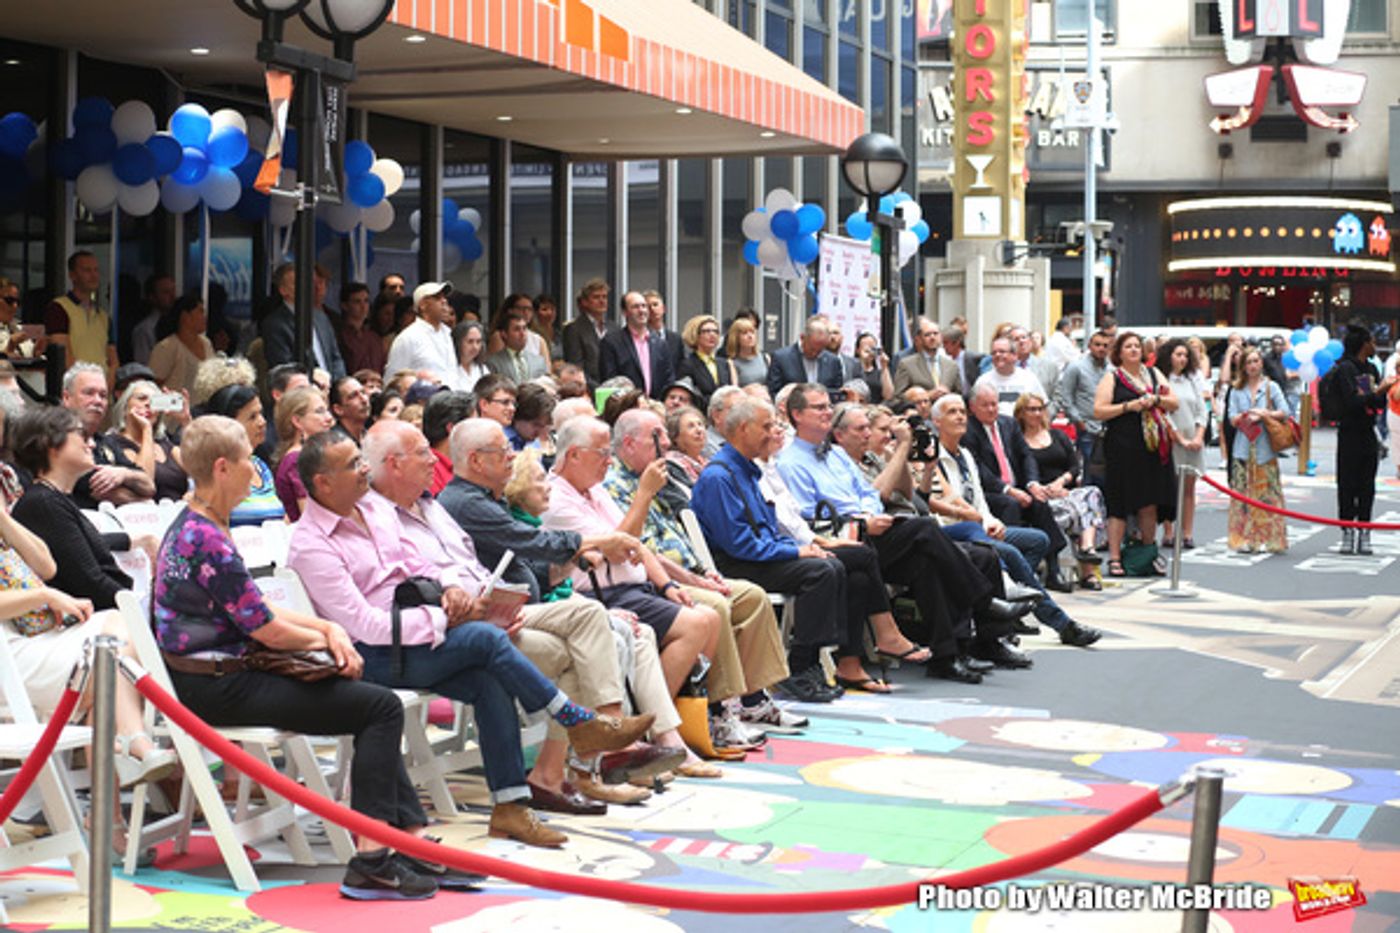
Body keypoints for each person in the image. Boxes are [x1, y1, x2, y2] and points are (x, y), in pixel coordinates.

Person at [154, 416, 486, 899]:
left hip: (225, 674)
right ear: (223, 468)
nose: (258, 469)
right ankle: (374, 856)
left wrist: (328, 629)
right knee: (379, 707)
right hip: (218, 686)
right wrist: (329, 638)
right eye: (250, 458)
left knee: (373, 703)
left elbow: (258, 612)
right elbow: (265, 627)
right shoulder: (204, 537)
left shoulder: (199, 524)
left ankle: (405, 840)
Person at [288, 428, 658, 840]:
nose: (363, 471)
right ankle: (572, 718)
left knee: (488, 681)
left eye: (361, 460)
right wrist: (445, 619)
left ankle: (511, 808)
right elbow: (364, 626)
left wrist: (451, 590)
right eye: (353, 465)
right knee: (484, 640)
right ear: (322, 482)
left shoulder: (373, 512)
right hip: (373, 656)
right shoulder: (311, 544)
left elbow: (419, 564)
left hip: (418, 633)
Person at [445, 424, 721, 786]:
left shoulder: (485, 499)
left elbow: (540, 570)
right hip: (496, 620)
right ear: (476, 461)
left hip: (528, 609)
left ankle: (650, 743)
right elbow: (535, 545)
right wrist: (598, 543)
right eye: (502, 451)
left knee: (632, 631)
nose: (511, 455)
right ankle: (612, 740)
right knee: (595, 621)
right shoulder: (466, 502)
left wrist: (579, 560)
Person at [775, 385, 1002, 684]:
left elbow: (869, 494)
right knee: (924, 528)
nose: (827, 412)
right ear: (796, 415)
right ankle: (984, 601)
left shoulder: (837, 455)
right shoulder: (790, 462)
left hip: (872, 533)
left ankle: (945, 657)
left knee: (927, 561)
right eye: (818, 407)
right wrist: (863, 521)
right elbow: (806, 519)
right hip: (843, 538)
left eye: (828, 406)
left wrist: (869, 514)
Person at [604, 409, 791, 738]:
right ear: (630, 443)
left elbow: (679, 535)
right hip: (651, 580)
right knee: (715, 606)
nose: (665, 443)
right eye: (657, 436)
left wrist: (706, 569)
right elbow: (640, 549)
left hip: (688, 570)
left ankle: (754, 699)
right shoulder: (616, 484)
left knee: (751, 596)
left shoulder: (654, 476)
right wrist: (694, 580)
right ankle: (718, 712)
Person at [1, 492, 177, 793]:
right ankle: (133, 743)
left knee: (114, 633)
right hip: (10, 655)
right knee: (107, 658)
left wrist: (3, 517)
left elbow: (47, 567)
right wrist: (45, 596)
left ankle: (111, 812)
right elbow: (44, 585)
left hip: (38, 636)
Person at [542, 417, 721, 696]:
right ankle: (655, 718)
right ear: (574, 454)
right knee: (695, 624)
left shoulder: (595, 490)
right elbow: (617, 549)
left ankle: (690, 712)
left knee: (710, 616)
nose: (610, 462)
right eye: (603, 454)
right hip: (601, 594)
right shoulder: (555, 498)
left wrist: (668, 586)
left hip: (633, 587)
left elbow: (635, 543)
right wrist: (645, 493)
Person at [927, 395, 1102, 647]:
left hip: (981, 525)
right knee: (1009, 553)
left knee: (1038, 540)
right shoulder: (932, 457)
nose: (960, 417)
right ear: (937, 421)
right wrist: (981, 521)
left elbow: (977, 500)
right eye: (952, 412)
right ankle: (1060, 623)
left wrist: (990, 521)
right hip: (954, 531)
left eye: (962, 411)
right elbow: (941, 507)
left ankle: (1014, 603)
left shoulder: (964, 453)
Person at [9, 406, 157, 610]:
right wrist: (143, 609)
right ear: (52, 444)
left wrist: (139, 540)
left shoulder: (51, 499)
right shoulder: (44, 503)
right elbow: (91, 583)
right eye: (82, 435)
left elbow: (84, 545)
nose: (92, 444)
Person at [962, 386, 1072, 591]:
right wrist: (1008, 490)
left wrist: (1032, 484)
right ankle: (1010, 569)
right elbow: (979, 469)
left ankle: (1053, 569)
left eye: (994, 404)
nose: (991, 409)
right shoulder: (969, 431)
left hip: (1020, 486)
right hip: (991, 492)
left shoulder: (1008, 424)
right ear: (973, 408)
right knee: (1010, 503)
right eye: (985, 405)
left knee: (1039, 503)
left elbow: (1026, 456)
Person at [1092, 331, 1178, 577]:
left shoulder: (1152, 373)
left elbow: (1174, 402)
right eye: (1128, 347)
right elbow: (1099, 410)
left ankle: (1147, 554)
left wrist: (1157, 399)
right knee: (1119, 504)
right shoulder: (1113, 377)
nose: (1133, 350)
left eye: (1136, 347)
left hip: (1152, 448)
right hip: (1122, 448)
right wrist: (1130, 406)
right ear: (1119, 353)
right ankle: (1115, 558)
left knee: (1148, 503)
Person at [1013, 394, 1106, 590]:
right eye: (1031, 409)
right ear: (1021, 413)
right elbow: (1021, 475)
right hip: (1041, 498)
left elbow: (1074, 467)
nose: (1037, 413)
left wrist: (1061, 482)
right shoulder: (1017, 442)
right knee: (1081, 510)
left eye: (1040, 408)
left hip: (1065, 491)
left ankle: (1087, 547)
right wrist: (1046, 489)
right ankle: (1088, 572)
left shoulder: (1058, 436)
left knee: (1091, 493)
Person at [1332, 326, 1398, 555]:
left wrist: (1380, 395)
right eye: (1371, 341)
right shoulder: (1345, 369)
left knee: (1367, 485)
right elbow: (1352, 402)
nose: (1375, 345)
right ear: (1363, 344)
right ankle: (1348, 531)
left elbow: (1376, 405)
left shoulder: (1371, 368)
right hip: (1349, 433)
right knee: (1347, 484)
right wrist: (1378, 392)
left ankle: (1365, 531)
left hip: (1368, 433)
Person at [61, 363, 155, 509]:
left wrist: (123, 474)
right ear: (67, 398)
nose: (98, 401)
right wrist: (144, 500)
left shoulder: (105, 442)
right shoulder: (61, 440)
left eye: (103, 395)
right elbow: (109, 494)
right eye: (89, 393)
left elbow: (149, 485)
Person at [1224, 346, 1290, 555]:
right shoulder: (1236, 389)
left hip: (1265, 449)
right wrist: (1243, 417)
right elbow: (1231, 417)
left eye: (1256, 361)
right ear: (1243, 366)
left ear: (1261, 363)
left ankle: (1269, 538)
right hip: (1243, 447)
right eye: (1249, 362)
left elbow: (1285, 411)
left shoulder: (1272, 387)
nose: (1253, 366)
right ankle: (1244, 538)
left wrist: (1263, 414)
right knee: (1242, 495)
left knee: (1268, 495)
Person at [203, 384, 284, 526]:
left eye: (261, 414)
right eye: (252, 417)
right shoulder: (219, 471)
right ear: (229, 424)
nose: (262, 422)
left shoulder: (261, 467)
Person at [259, 264, 346, 381]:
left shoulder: (321, 317)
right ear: (283, 290)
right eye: (297, 283)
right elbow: (284, 368)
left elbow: (336, 358)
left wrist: (336, 384)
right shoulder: (275, 324)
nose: (305, 287)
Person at [109, 380, 190, 502]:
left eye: (154, 402)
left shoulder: (167, 446)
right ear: (125, 407)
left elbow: (205, 472)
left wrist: (186, 421)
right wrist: (146, 429)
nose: (148, 404)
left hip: (179, 515)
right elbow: (145, 482)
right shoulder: (113, 443)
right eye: (141, 399)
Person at [1159, 339, 1206, 549]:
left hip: (1192, 435)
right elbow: (1163, 413)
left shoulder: (1193, 379)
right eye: (1178, 355)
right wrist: (1179, 438)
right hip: (1171, 438)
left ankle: (1187, 532)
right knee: (1170, 486)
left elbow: (1202, 410)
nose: (1182, 359)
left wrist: (1198, 436)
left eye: (1185, 356)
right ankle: (1168, 531)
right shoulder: (1162, 379)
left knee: (1189, 488)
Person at [45, 250, 117, 377]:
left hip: (103, 391)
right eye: (87, 270)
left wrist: (109, 384)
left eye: (96, 270)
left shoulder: (104, 316)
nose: (93, 275)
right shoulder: (58, 308)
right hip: (75, 390)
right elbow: (63, 358)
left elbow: (113, 360)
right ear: (72, 275)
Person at [1056, 328, 1114, 481]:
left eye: (1105, 345)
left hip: (1109, 429)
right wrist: (1079, 421)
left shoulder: (1112, 370)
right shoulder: (1076, 367)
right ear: (1090, 345)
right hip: (1087, 428)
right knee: (1090, 471)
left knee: (1108, 473)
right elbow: (1065, 397)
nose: (1101, 348)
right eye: (1097, 344)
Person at [273, 385, 335, 521]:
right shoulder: (296, 460)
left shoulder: (307, 455)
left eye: (327, 411)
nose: (329, 418)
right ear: (297, 421)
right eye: (320, 412)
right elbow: (312, 517)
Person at [599, 291, 674, 401]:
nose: (641, 311)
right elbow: (610, 379)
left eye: (644, 306)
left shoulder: (660, 343)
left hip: (655, 407)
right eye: (635, 307)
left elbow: (668, 378)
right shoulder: (612, 342)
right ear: (625, 312)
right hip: (626, 406)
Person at [384, 282, 457, 384]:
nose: (444, 301)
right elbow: (392, 381)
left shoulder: (449, 335)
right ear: (423, 305)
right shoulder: (408, 338)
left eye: (444, 297)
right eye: (437, 298)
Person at [147, 294, 212, 397]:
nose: (204, 317)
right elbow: (152, 386)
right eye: (200, 311)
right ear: (185, 316)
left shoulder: (207, 344)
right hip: (174, 410)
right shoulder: (167, 347)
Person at [766, 315, 843, 399]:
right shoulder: (781, 358)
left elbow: (837, 393)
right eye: (812, 349)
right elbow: (773, 392)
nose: (815, 354)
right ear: (802, 337)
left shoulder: (833, 361)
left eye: (820, 350)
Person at [973, 337, 1047, 417]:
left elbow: (1043, 406)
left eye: (1002, 352)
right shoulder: (983, 381)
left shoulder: (1029, 378)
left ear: (1014, 355)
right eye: (994, 353)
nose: (997, 355)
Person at [423, 390, 476, 494]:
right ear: (452, 428)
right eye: (473, 425)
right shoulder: (429, 469)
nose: (479, 430)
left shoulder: (468, 463)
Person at [561, 278, 611, 386]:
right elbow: (576, 367)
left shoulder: (614, 327)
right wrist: (597, 389)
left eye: (604, 297)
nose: (602, 301)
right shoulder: (573, 329)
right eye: (596, 297)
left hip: (614, 388)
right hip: (588, 387)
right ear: (585, 302)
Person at [676, 314, 732, 409]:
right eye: (706, 331)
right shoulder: (687, 364)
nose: (712, 335)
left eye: (715, 331)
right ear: (695, 334)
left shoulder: (723, 363)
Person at [892, 317, 954, 398]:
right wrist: (926, 395)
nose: (932, 337)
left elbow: (959, 393)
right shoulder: (906, 364)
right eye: (927, 335)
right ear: (918, 339)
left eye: (935, 333)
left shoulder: (951, 364)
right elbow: (898, 396)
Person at [487, 294, 553, 368]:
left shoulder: (538, 340)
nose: (526, 312)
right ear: (510, 310)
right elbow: (495, 366)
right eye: (522, 308)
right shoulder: (500, 336)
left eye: (529, 309)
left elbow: (547, 369)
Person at [336, 282, 387, 377]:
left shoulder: (374, 338)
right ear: (344, 305)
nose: (363, 306)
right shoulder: (339, 336)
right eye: (357, 301)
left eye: (366, 301)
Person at [484, 310, 549, 384]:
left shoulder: (539, 361)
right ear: (504, 334)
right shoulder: (493, 363)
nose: (522, 333)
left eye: (524, 328)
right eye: (517, 329)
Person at [664, 405, 709, 489]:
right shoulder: (673, 466)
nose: (699, 430)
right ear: (676, 436)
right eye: (691, 426)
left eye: (700, 424)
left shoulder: (706, 461)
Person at [508, 383, 556, 452]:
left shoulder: (535, 443)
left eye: (543, 426)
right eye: (536, 424)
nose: (540, 432)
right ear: (517, 417)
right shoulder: (499, 440)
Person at [644, 291, 685, 370]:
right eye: (648, 306)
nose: (652, 309)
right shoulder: (640, 337)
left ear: (663, 308)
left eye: (655, 304)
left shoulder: (675, 339)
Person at [724, 316, 769, 388]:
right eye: (745, 333)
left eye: (752, 332)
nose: (750, 336)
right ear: (736, 338)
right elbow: (735, 389)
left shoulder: (765, 358)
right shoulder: (732, 363)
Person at [448, 320, 489, 392]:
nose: (475, 347)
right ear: (458, 342)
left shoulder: (482, 369)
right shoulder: (448, 368)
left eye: (478, 342)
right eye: (470, 341)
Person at [330, 375, 371, 444]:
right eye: (353, 396)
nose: (364, 400)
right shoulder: (335, 443)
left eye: (363, 392)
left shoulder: (369, 436)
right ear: (338, 409)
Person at [854, 332, 894, 404]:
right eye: (866, 348)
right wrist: (863, 360)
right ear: (858, 350)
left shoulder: (880, 372)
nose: (870, 351)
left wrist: (884, 367)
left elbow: (889, 396)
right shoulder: (852, 369)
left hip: (876, 408)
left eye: (872, 348)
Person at [531, 294, 563, 362]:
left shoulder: (560, 334)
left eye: (552, 309)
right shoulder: (533, 335)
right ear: (535, 312)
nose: (549, 313)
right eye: (544, 309)